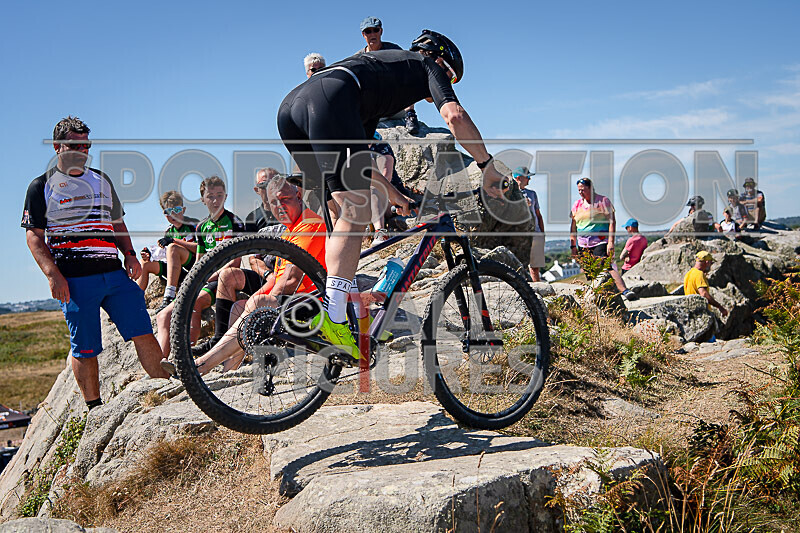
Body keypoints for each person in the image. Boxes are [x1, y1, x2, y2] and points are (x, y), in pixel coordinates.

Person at [277, 29, 506, 365]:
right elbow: (454, 116)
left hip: (292, 108)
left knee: (341, 212)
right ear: (440, 58)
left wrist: (397, 196)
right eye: (451, 76)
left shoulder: (378, 75)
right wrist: (487, 166)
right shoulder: (426, 65)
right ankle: (334, 317)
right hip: (330, 100)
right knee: (355, 213)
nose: (446, 84)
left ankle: (323, 315)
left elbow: (363, 165)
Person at [21, 116, 169, 408]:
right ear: (57, 147)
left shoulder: (101, 180)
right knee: (85, 348)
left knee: (143, 331)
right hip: (74, 281)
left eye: (86, 145)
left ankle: (164, 389)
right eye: (75, 144)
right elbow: (34, 237)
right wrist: (53, 275)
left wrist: (129, 254)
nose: (82, 150)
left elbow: (117, 224)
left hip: (113, 273)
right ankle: (95, 408)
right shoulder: (41, 186)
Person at [161, 176, 328, 376]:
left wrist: (263, 301)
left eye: (284, 199)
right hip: (289, 299)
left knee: (256, 304)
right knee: (240, 306)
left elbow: (292, 280)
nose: (279, 206)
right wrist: (258, 295)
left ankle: (201, 366)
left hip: (309, 304)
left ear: (298, 196)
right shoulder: (290, 230)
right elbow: (277, 276)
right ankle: (227, 370)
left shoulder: (310, 225)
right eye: (274, 202)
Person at [155, 176, 245, 361]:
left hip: (222, 280)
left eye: (219, 195)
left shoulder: (234, 222)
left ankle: (187, 358)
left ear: (226, 196)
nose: (215, 200)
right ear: (203, 199)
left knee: (194, 303)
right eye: (210, 196)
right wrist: (194, 281)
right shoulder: (202, 226)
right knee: (164, 315)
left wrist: (206, 278)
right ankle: (159, 368)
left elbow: (235, 263)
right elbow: (199, 262)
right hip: (204, 279)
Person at [569, 177, 637, 300]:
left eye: (583, 190)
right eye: (579, 190)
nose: (581, 192)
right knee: (591, 273)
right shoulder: (577, 204)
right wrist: (573, 246)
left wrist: (610, 242)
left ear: (590, 188)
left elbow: (612, 221)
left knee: (606, 266)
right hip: (583, 243)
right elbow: (573, 226)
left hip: (600, 240)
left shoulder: (603, 201)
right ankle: (604, 296)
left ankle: (624, 290)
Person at [357, 16, 420, 135]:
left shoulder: (394, 51)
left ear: (381, 31)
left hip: (398, 107)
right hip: (376, 111)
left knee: (409, 75)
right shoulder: (359, 58)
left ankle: (410, 116)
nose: (372, 34)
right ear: (363, 34)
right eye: (368, 31)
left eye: (375, 30)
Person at [137, 191, 199, 309]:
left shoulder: (194, 224)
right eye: (168, 212)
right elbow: (164, 255)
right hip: (178, 271)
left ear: (184, 210)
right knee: (145, 263)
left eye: (176, 210)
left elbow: (201, 248)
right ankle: (136, 302)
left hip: (193, 267)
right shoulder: (169, 231)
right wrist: (149, 254)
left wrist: (175, 241)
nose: (173, 215)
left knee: (173, 248)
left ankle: (169, 296)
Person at [368, 132, 415, 245]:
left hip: (391, 197)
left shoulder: (380, 146)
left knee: (374, 188)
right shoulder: (350, 149)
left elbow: (385, 177)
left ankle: (380, 232)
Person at [512, 166, 545, 281]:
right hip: (519, 235)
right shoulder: (510, 194)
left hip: (535, 233)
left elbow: (538, 215)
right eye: (527, 177)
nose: (529, 180)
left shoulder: (532, 194)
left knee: (535, 266)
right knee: (520, 266)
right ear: (518, 178)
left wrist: (542, 233)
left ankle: (537, 291)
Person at [684, 251, 728, 319]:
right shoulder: (699, 274)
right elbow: (703, 294)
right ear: (707, 262)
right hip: (701, 313)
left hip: (691, 311)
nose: (711, 266)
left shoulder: (689, 273)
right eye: (711, 263)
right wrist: (719, 307)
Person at [244, 168, 280, 233]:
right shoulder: (252, 218)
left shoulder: (292, 211)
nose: (270, 189)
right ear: (257, 190)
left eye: (275, 184)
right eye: (264, 185)